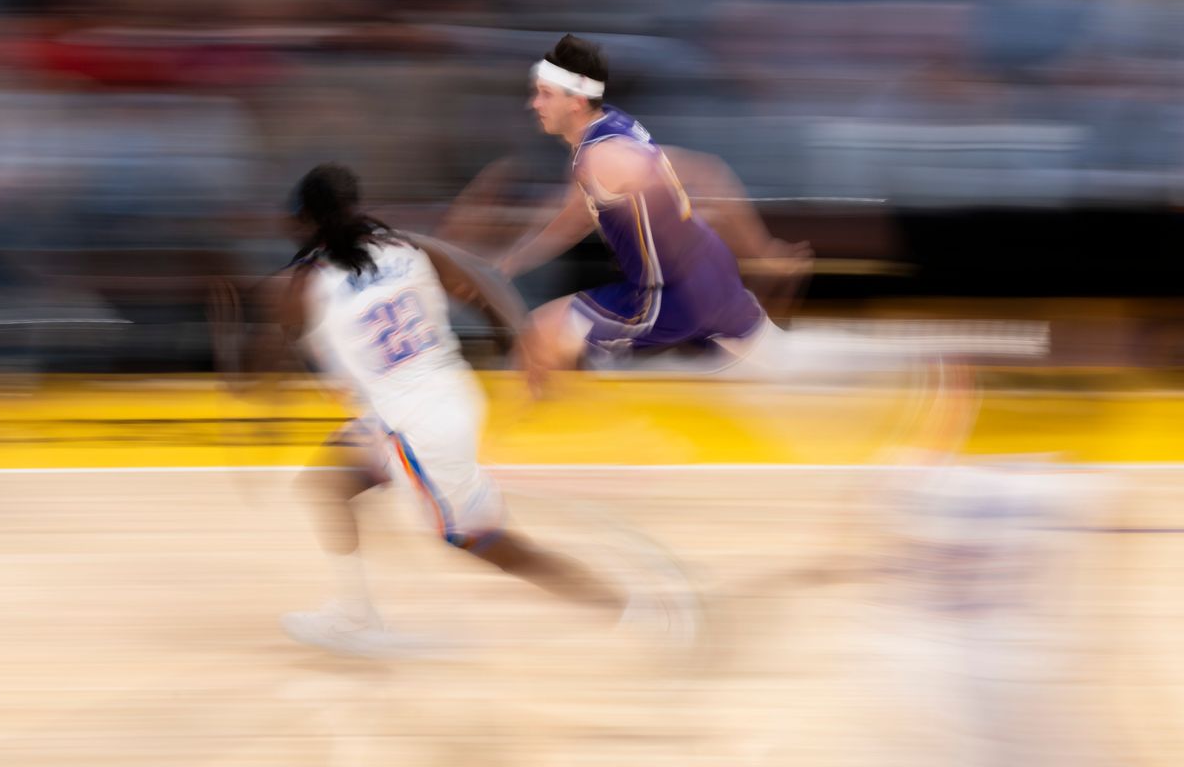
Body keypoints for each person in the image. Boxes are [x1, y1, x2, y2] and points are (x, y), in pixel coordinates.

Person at [264, 163, 637, 656]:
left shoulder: (300, 284)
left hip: (411, 425)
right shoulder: (408, 248)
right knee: (329, 483)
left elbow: (265, 367)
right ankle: (354, 615)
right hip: (443, 398)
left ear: (304, 220)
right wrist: (524, 349)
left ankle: (620, 605)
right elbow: (482, 289)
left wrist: (248, 364)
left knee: (482, 544)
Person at [497, 34, 813, 375]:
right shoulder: (608, 128)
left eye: (545, 94)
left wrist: (761, 253)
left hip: (669, 298)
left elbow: (707, 175)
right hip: (710, 278)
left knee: (538, 338)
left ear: (575, 102)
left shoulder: (605, 157)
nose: (534, 104)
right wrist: (513, 260)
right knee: (780, 365)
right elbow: (573, 214)